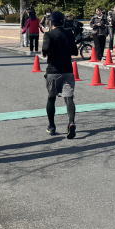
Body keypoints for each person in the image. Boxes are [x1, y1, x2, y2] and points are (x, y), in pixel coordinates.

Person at [42, 11, 78, 139]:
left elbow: (44, 51)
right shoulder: (69, 33)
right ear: (63, 21)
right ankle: (71, 122)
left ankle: (51, 126)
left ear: (51, 22)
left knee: (51, 98)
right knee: (69, 98)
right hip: (67, 71)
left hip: (53, 71)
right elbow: (75, 51)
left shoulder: (49, 35)